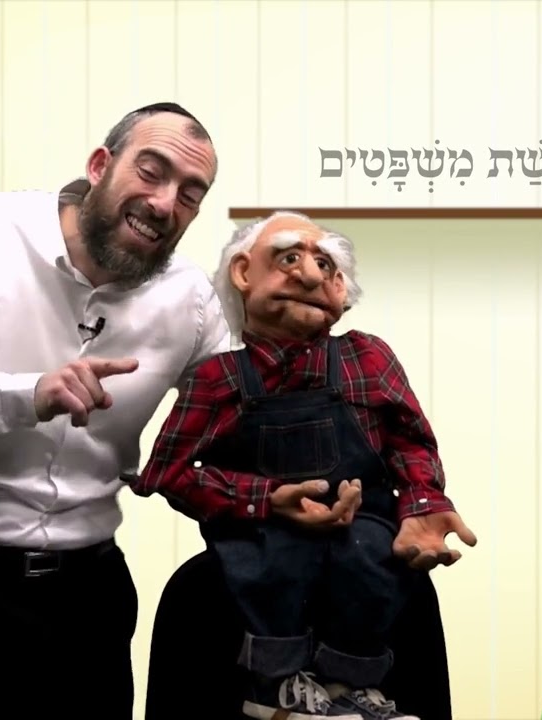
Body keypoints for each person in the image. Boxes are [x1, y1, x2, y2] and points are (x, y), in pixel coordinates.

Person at [0, 102, 230, 719]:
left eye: (191, 195)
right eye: (151, 172)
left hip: (91, 595)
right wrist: (26, 395)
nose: (166, 204)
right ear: (100, 165)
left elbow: (243, 417)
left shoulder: (188, 298)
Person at [130, 211, 478, 720]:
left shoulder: (368, 358)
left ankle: (353, 688)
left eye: (327, 266)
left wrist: (423, 502)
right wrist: (264, 498)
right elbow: (168, 472)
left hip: (365, 536)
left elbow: (411, 442)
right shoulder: (219, 378)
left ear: (341, 291)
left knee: (371, 558)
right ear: (243, 273)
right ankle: (277, 689)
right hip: (257, 540)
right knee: (258, 571)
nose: (312, 276)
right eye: (289, 258)